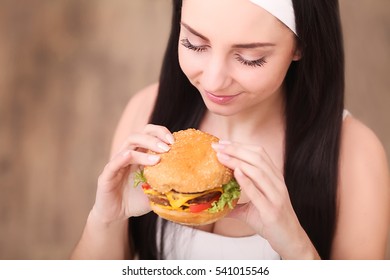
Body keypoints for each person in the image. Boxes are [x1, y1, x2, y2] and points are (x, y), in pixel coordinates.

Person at [71, 0, 390, 260]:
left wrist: (295, 248)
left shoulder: (356, 155)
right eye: (194, 44)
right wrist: (104, 221)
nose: (213, 81)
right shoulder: (146, 111)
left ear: (300, 45)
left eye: (250, 58)